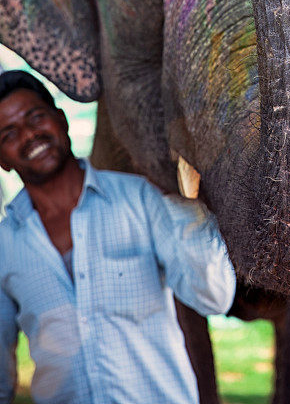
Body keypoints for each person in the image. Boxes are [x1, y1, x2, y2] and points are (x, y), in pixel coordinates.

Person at [0, 70, 236, 404]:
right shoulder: (5, 245)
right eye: (8, 133)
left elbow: (214, 298)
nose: (29, 135)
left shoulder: (142, 198)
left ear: (61, 119)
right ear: (1, 161)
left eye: (35, 117)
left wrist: (184, 203)